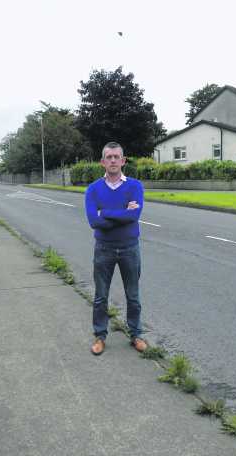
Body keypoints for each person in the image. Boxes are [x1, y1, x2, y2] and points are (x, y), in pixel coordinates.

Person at [84, 142, 147, 356]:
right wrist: (121, 212)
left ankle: (136, 334)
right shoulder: (93, 189)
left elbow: (133, 217)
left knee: (133, 295)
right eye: (108, 157)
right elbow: (93, 221)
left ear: (123, 160)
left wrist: (105, 213)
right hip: (104, 248)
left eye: (116, 157)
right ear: (102, 161)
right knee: (101, 295)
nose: (112, 160)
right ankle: (100, 336)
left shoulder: (135, 186)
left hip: (130, 247)